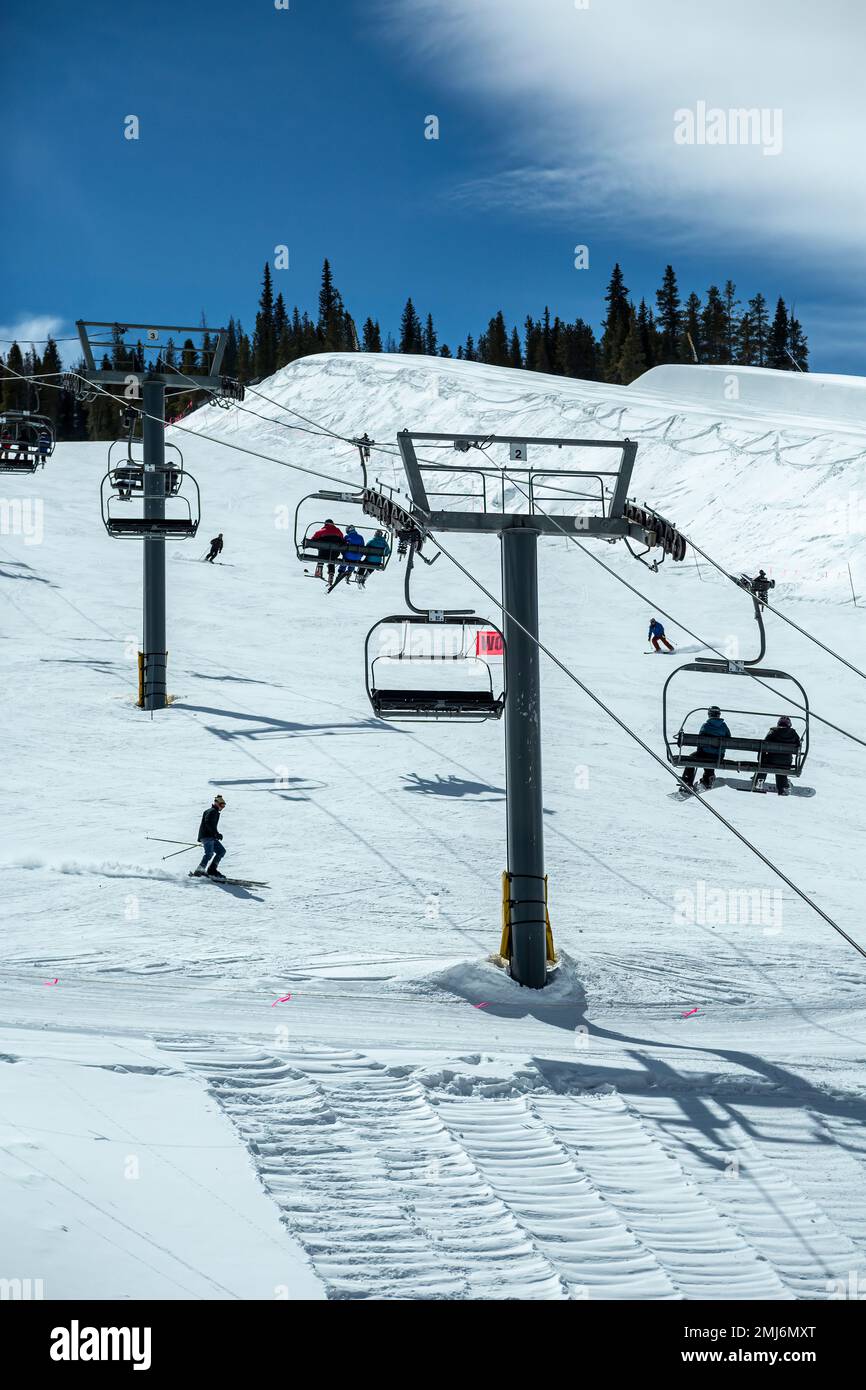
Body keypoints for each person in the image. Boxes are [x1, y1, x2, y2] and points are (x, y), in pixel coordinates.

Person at [681, 706, 730, 792]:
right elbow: (729, 739)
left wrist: (701, 750)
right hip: (719, 756)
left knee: (693, 757)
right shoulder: (724, 726)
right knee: (710, 759)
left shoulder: (706, 726)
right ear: (719, 715)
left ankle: (687, 781)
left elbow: (700, 740)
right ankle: (708, 778)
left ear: (709, 715)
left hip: (706, 754)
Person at [752, 715, 800, 795]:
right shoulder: (793, 734)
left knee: (765, 764)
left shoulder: (773, 731)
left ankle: (759, 781)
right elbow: (798, 745)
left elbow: (765, 744)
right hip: (786, 762)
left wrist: (761, 759)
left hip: (771, 760)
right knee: (782, 768)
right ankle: (782, 787)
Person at [194, 794, 227, 879]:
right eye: (221, 805)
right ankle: (199, 870)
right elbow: (208, 822)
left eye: (224, 805)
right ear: (216, 803)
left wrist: (216, 834)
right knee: (209, 853)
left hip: (210, 836)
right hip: (207, 836)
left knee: (221, 851)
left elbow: (210, 824)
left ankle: (212, 869)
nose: (222, 807)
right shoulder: (212, 811)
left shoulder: (214, 812)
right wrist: (216, 834)